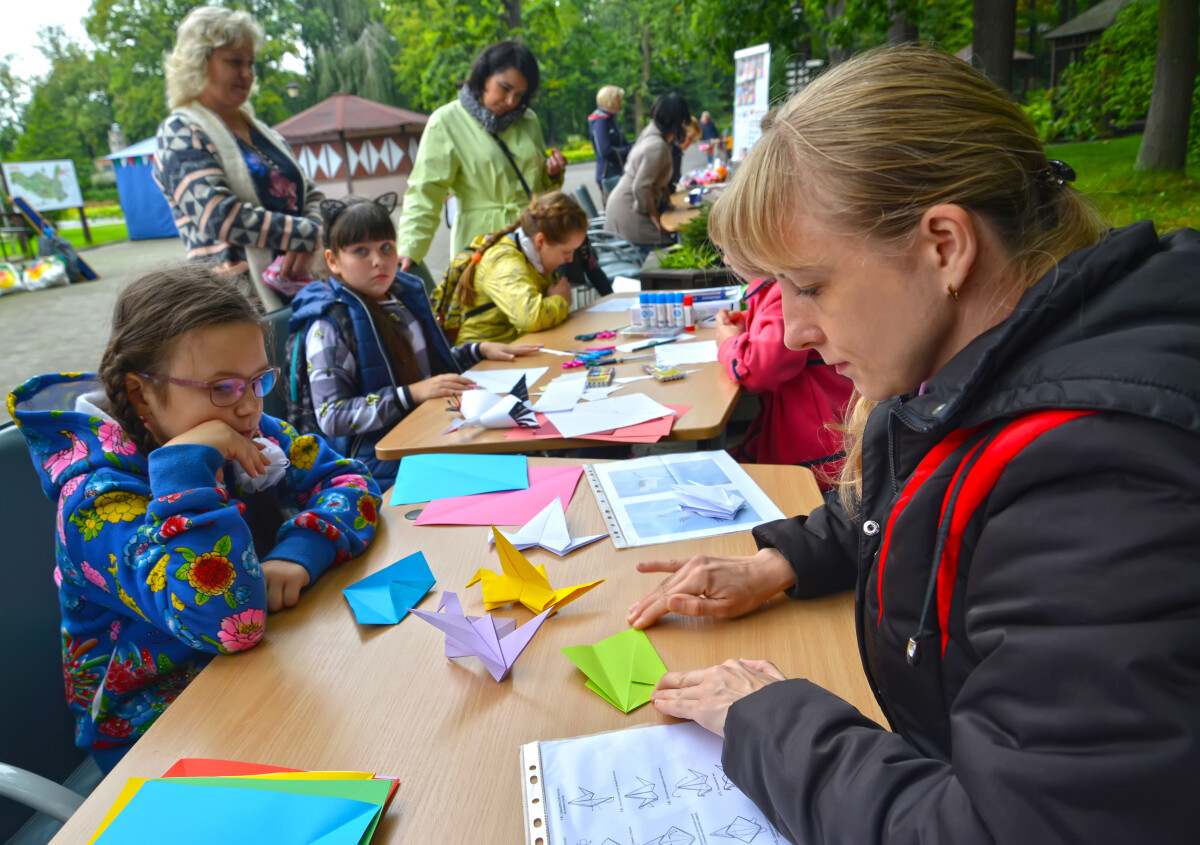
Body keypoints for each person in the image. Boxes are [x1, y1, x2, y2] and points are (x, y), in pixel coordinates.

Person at [628, 45, 1200, 842]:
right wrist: (782, 559)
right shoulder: (982, 364)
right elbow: (917, 497)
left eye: (810, 284)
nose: (793, 327)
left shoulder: (1104, 479)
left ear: (943, 246)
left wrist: (766, 720)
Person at [6, 265, 382, 770]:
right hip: (159, 733)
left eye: (257, 381)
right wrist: (185, 469)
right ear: (140, 393)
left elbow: (352, 482)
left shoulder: (240, 423)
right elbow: (228, 623)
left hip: (264, 672)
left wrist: (301, 551)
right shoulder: (96, 503)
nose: (250, 407)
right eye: (222, 387)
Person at [287, 194, 541, 484]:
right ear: (333, 260)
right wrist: (411, 394)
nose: (378, 261)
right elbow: (332, 416)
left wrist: (476, 350)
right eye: (360, 251)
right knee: (512, 474)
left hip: (428, 433)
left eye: (386, 247)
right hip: (374, 466)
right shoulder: (328, 324)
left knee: (524, 449)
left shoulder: (401, 300)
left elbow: (424, 372)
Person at [153, 6, 323, 311]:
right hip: (241, 307)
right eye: (234, 62)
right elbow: (219, 217)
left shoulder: (266, 135)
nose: (247, 74)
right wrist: (308, 235)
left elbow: (313, 195)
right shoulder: (179, 132)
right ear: (199, 63)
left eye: (251, 63)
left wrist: (312, 231)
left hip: (307, 291)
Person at [395, 41, 566, 274]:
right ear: (483, 75)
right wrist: (410, 248)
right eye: (504, 88)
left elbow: (536, 187)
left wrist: (551, 175)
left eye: (519, 95)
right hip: (481, 243)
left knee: (542, 308)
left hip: (532, 241)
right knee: (486, 309)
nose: (510, 102)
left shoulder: (528, 120)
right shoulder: (446, 121)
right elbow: (425, 191)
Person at [716, 279, 854, 491]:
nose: (725, 260)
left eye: (727, 251)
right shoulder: (780, 287)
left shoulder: (782, 291)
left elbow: (755, 371)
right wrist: (748, 321)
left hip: (816, 455)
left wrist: (728, 342)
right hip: (822, 439)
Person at [453, 192, 587, 345]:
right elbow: (530, 318)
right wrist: (560, 300)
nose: (570, 259)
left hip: (514, 350)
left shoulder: (534, 257)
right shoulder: (504, 261)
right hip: (482, 361)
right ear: (540, 241)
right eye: (566, 252)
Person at [604, 92, 691, 255]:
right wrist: (654, 216)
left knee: (672, 240)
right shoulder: (657, 145)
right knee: (671, 250)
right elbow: (640, 187)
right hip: (629, 212)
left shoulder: (651, 133)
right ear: (678, 120)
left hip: (627, 206)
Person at [588, 85, 632, 201]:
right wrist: (630, 150)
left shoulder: (610, 120)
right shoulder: (600, 121)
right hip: (610, 176)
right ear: (610, 101)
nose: (621, 104)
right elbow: (605, 151)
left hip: (617, 174)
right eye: (618, 100)